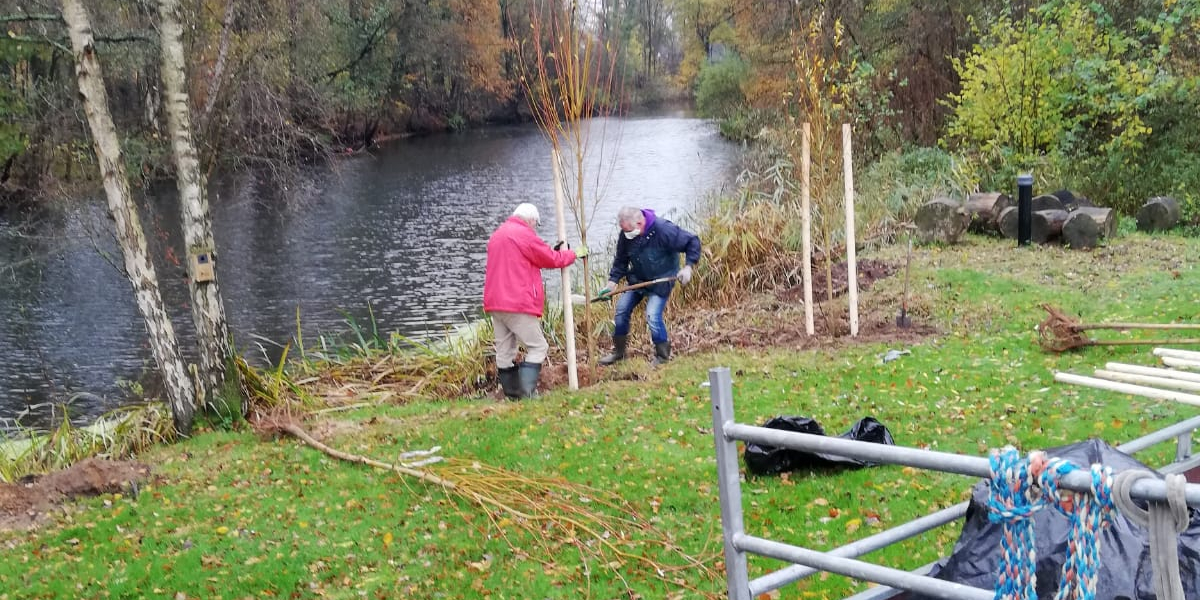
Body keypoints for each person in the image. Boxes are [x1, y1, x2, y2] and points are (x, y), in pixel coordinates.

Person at [483, 202, 586, 399]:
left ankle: (512, 395)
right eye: (535, 225)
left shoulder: (498, 235)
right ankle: (527, 393)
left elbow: (532, 257)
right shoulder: (524, 234)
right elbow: (550, 259)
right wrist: (573, 254)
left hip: (496, 302)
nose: (534, 229)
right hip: (517, 302)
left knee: (505, 350)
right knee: (538, 346)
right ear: (531, 220)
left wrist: (555, 252)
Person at [596, 206, 701, 366]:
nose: (626, 234)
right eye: (624, 230)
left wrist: (688, 267)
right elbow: (621, 260)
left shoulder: (663, 230)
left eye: (629, 230)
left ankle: (662, 356)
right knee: (621, 310)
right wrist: (612, 283)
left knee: (652, 315)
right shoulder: (626, 235)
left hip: (661, 281)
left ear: (639, 223)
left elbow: (692, 241)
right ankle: (619, 352)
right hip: (638, 280)